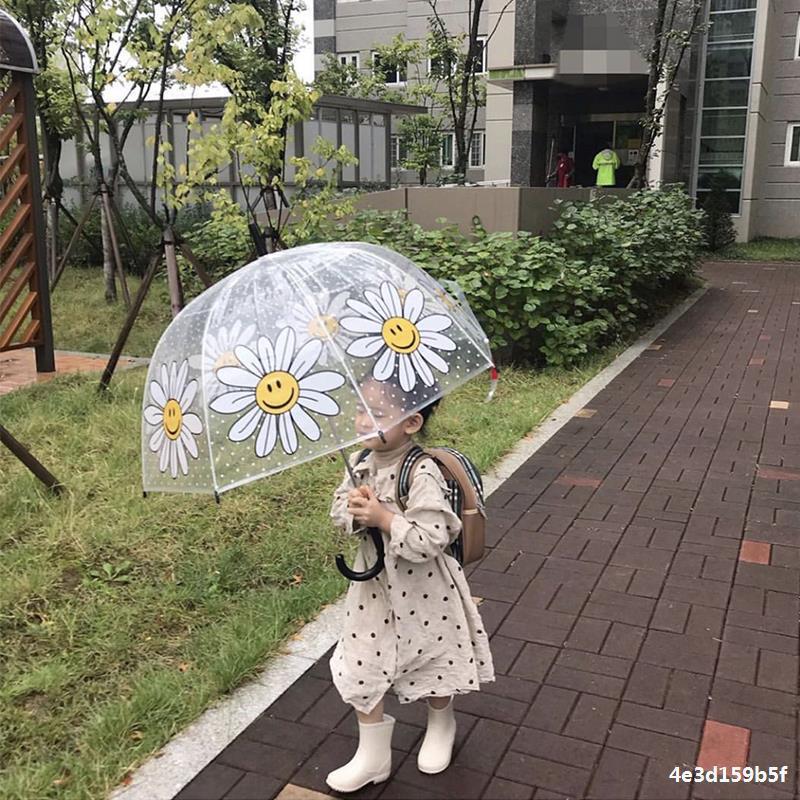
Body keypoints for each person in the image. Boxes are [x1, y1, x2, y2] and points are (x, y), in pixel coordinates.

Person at [326, 376, 495, 793]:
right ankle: (372, 754)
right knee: (360, 662)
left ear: (412, 422)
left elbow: (432, 538)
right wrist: (353, 510)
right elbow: (337, 510)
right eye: (360, 408)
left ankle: (441, 722)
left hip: (425, 588)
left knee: (433, 655)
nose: (363, 419)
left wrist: (385, 518)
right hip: (372, 591)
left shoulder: (422, 471)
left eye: (378, 413)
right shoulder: (360, 462)